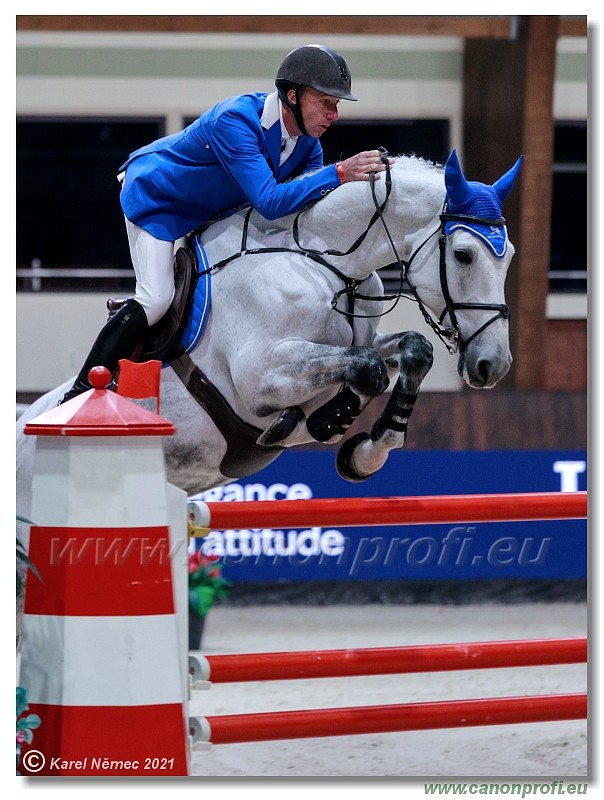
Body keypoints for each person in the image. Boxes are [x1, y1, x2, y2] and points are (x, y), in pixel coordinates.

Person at [59, 44, 392, 403]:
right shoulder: (235, 120)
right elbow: (269, 201)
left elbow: (304, 211)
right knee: (156, 299)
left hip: (213, 209)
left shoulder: (308, 146)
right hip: (159, 197)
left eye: (337, 105)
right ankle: (81, 391)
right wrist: (341, 172)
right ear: (292, 95)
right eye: (326, 101)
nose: (335, 114)